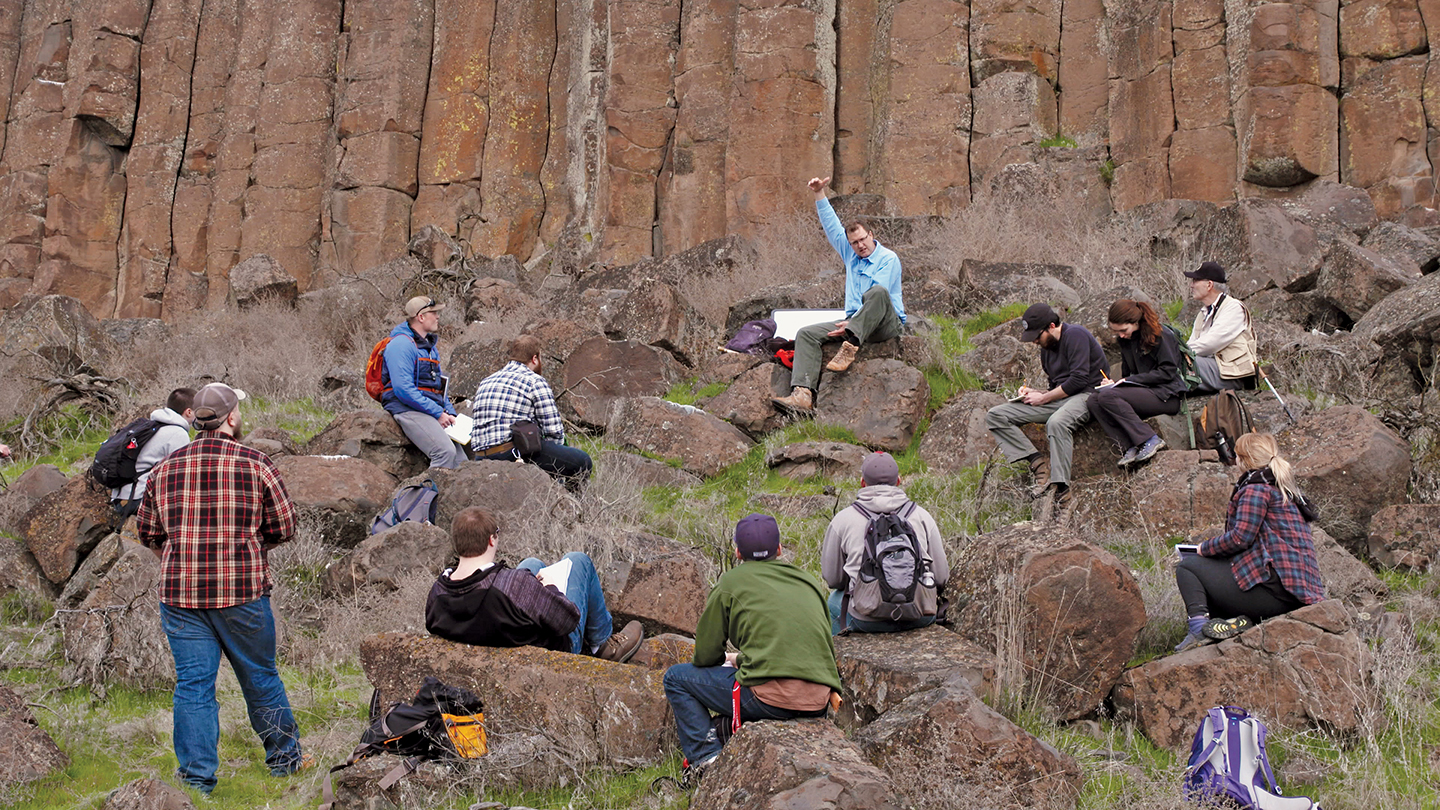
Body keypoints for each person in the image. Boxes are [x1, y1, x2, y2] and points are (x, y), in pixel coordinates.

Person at [136, 383, 306, 794]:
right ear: (231, 418)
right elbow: (284, 527)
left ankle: (196, 781)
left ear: (196, 419)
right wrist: (250, 544)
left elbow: (147, 531)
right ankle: (284, 762)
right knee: (261, 676)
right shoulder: (257, 463)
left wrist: (180, 548)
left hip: (181, 595)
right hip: (241, 592)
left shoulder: (165, 469)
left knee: (194, 686)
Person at [663, 514, 841, 785]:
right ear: (779, 549)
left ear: (737, 552)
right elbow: (815, 644)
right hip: (818, 700)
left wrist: (728, 660)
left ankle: (705, 760)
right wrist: (744, 659)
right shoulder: (807, 581)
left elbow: (705, 655)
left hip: (770, 699)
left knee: (676, 678)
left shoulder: (730, 583)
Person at [425, 506, 643, 661]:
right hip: (549, 654)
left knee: (532, 563)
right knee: (579, 560)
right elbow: (567, 620)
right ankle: (603, 645)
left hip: (494, 638)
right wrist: (548, 589)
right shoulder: (513, 585)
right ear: (492, 539)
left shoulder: (438, 592)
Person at [1173, 433, 1325, 652]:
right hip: (1299, 594)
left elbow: (1240, 538)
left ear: (1242, 460)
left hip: (1275, 593)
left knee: (1188, 568)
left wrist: (1201, 549)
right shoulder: (1284, 489)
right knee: (1218, 577)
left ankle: (1198, 630)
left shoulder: (1256, 489)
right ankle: (1236, 622)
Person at [772, 176, 906, 413]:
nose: (860, 245)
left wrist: (852, 327)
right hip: (853, 322)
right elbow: (832, 226)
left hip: (884, 323)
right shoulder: (851, 254)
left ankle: (850, 347)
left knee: (877, 291)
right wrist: (819, 193)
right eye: (854, 242)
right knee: (806, 334)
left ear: (871, 235)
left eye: (863, 239)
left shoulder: (888, 259)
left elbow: (877, 298)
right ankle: (803, 394)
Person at [984, 302, 1107, 510]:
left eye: (1036, 336)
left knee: (1057, 423)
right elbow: (1056, 386)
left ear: (1051, 326)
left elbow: (1078, 380)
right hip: (1062, 398)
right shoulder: (1046, 349)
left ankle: (1061, 489)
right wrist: (1035, 392)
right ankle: (1038, 464)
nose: (1034, 342)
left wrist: (1045, 398)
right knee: (996, 415)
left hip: (1088, 395)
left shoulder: (1076, 335)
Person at [821, 452, 948, 634]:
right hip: (919, 615)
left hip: (866, 617)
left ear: (862, 482)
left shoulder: (843, 520)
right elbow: (941, 577)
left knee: (833, 601)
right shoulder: (922, 516)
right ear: (898, 481)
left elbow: (833, 579)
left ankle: (838, 655)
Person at [471, 335, 592, 487]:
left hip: (481, 457)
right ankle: (569, 503)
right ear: (535, 358)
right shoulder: (534, 381)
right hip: (511, 454)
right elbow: (554, 432)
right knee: (582, 461)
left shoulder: (486, 381)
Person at [1087, 300, 1187, 468]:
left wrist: (1129, 381)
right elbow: (1127, 373)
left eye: (1123, 330)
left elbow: (1168, 371)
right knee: (1093, 401)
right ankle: (1129, 446)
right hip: (1144, 392)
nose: (1120, 335)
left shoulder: (1161, 335)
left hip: (1167, 395)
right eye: (1116, 331)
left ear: (1135, 322)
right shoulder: (1126, 340)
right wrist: (1114, 384)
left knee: (1108, 397)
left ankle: (1150, 439)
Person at [381, 296, 465, 469]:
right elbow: (403, 389)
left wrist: (449, 413)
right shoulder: (401, 344)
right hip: (406, 408)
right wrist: (438, 413)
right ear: (420, 317)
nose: (437, 316)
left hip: (427, 409)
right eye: (433, 313)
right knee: (445, 453)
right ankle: (427, 496)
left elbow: (439, 388)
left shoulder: (430, 348)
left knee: (461, 462)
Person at [110, 387, 197, 517]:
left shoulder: (152, 426)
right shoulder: (177, 433)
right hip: (138, 500)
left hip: (121, 498)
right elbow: (183, 475)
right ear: (189, 412)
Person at [1186, 261, 1257, 392]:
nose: (1191, 285)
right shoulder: (1202, 314)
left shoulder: (1234, 308)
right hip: (1214, 368)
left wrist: (1177, 352)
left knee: (1178, 363)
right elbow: (1192, 343)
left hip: (1232, 374)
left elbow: (1210, 344)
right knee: (1172, 363)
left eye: (1195, 280)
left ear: (1209, 285)